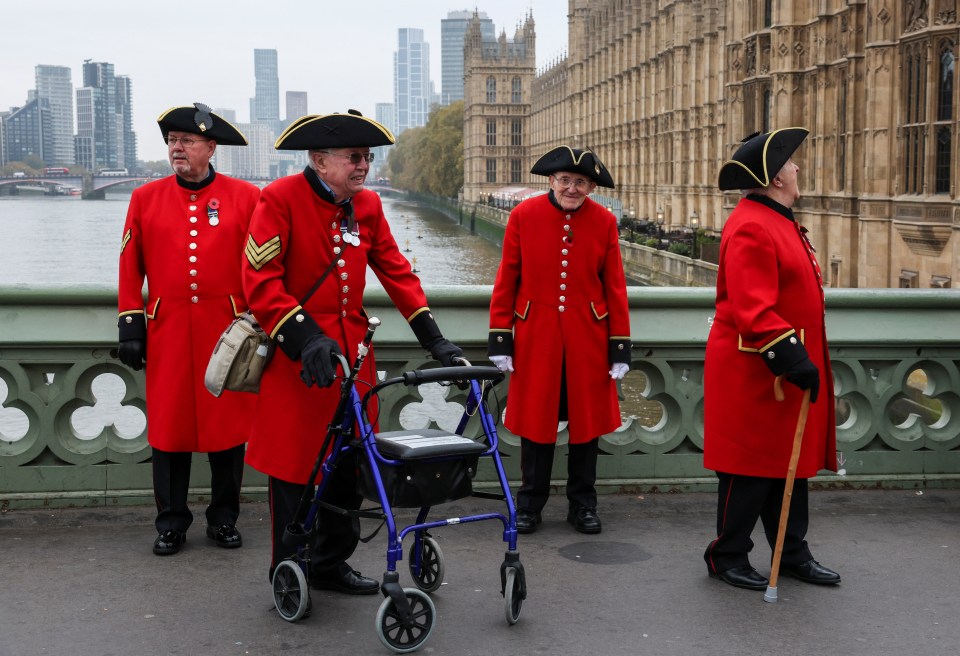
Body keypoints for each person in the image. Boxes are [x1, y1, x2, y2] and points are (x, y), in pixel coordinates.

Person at [242, 110, 463, 594]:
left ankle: (329, 563)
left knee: (347, 463)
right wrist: (306, 338)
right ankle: (290, 569)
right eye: (354, 158)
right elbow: (259, 281)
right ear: (320, 161)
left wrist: (435, 339)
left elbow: (397, 272)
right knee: (295, 467)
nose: (363, 166)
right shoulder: (278, 200)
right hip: (300, 359)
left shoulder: (367, 207)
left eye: (367, 157)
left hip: (353, 361)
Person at [117, 103, 260, 556]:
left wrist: (259, 319)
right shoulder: (145, 198)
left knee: (227, 431)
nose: (177, 149)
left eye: (187, 141)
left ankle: (223, 519)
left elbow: (262, 265)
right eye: (172, 142)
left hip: (228, 333)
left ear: (211, 147)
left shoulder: (247, 197)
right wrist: (130, 321)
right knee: (169, 431)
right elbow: (128, 264)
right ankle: (171, 522)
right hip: (168, 331)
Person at [703, 128, 841, 591]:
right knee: (749, 469)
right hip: (755, 368)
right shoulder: (751, 225)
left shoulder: (778, 219)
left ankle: (792, 551)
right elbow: (752, 307)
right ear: (776, 176)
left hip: (781, 364)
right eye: (792, 163)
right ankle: (726, 554)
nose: (798, 168)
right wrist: (792, 357)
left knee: (789, 465)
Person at [487, 146, 631, 535]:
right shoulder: (523, 215)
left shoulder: (603, 221)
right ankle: (530, 504)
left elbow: (614, 286)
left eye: (581, 182)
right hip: (537, 336)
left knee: (586, 427)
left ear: (590, 186)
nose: (572, 188)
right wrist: (501, 338)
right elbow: (507, 279)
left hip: (589, 336)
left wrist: (619, 345)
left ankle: (583, 504)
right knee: (537, 425)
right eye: (565, 180)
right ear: (551, 181)